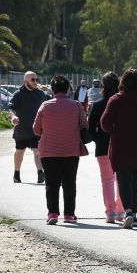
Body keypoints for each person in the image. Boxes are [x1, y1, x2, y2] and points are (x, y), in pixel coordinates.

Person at [100, 69, 137, 229]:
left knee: (123, 179)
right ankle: (133, 213)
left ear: (123, 82)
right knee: (136, 180)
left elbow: (105, 125)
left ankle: (127, 211)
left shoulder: (115, 100)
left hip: (121, 146)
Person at [33, 75, 89, 225]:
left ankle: (52, 214)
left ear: (52, 90)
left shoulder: (45, 106)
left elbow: (36, 129)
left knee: (51, 183)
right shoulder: (76, 105)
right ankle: (69, 214)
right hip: (71, 150)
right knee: (69, 183)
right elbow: (85, 124)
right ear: (68, 89)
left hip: (48, 151)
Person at [88, 72, 124, 223]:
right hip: (122, 146)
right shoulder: (123, 103)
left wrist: (98, 140)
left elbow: (90, 129)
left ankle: (110, 213)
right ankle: (121, 211)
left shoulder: (97, 105)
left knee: (107, 180)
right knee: (122, 179)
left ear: (103, 87)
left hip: (103, 146)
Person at [8, 71, 46, 183]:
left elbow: (47, 109)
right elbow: (11, 108)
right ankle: (16, 173)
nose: (35, 82)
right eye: (32, 80)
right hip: (22, 129)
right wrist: (13, 117)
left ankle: (40, 173)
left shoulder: (40, 94)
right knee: (20, 151)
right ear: (25, 81)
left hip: (36, 129)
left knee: (37, 150)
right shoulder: (18, 94)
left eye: (36, 79)